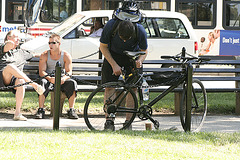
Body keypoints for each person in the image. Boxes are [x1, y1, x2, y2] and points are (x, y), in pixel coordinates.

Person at [100, 19, 148, 130]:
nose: (125, 41)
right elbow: (103, 47)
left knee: (133, 89)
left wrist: (140, 60)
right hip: (112, 55)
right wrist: (114, 65)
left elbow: (144, 50)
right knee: (109, 87)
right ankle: (109, 121)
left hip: (132, 56)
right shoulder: (111, 26)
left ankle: (128, 122)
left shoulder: (139, 30)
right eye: (122, 38)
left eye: (128, 39)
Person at [0, 30, 45, 121]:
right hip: (2, 77)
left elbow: (37, 55)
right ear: (9, 37)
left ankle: (17, 113)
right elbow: (8, 46)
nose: (19, 39)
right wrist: (9, 42)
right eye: (16, 37)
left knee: (21, 82)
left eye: (19, 37)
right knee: (10, 66)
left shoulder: (22, 53)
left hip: (14, 80)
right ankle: (34, 85)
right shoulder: (2, 48)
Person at [35, 33, 78, 119]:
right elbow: (42, 72)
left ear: (59, 44)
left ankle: (71, 109)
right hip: (49, 78)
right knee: (43, 83)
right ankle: (41, 109)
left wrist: (64, 78)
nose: (51, 45)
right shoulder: (44, 55)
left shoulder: (65, 55)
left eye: (53, 43)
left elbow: (69, 71)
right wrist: (50, 78)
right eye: (49, 43)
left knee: (72, 83)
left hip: (61, 78)